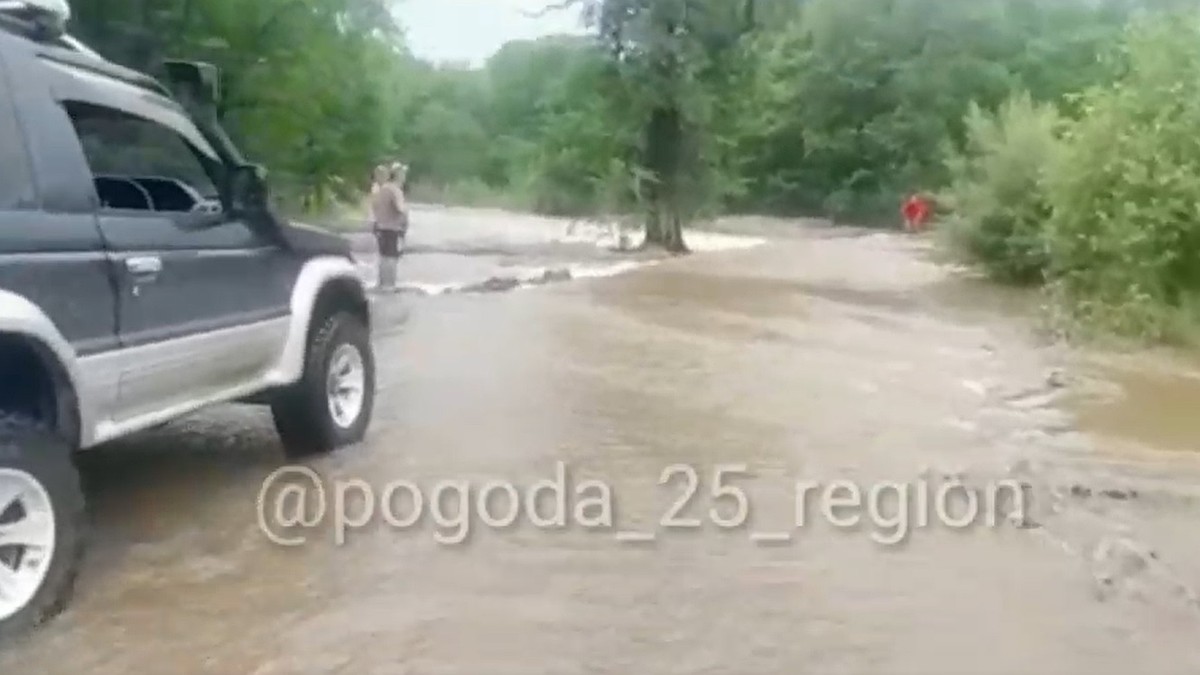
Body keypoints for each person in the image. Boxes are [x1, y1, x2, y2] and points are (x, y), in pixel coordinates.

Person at [368, 163, 407, 292]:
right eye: (403, 174)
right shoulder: (395, 190)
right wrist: (404, 218)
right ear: (398, 175)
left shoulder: (382, 188)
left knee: (383, 256)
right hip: (393, 228)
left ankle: (382, 284)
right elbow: (400, 209)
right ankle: (390, 285)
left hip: (381, 227)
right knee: (392, 257)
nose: (404, 177)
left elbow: (375, 207)